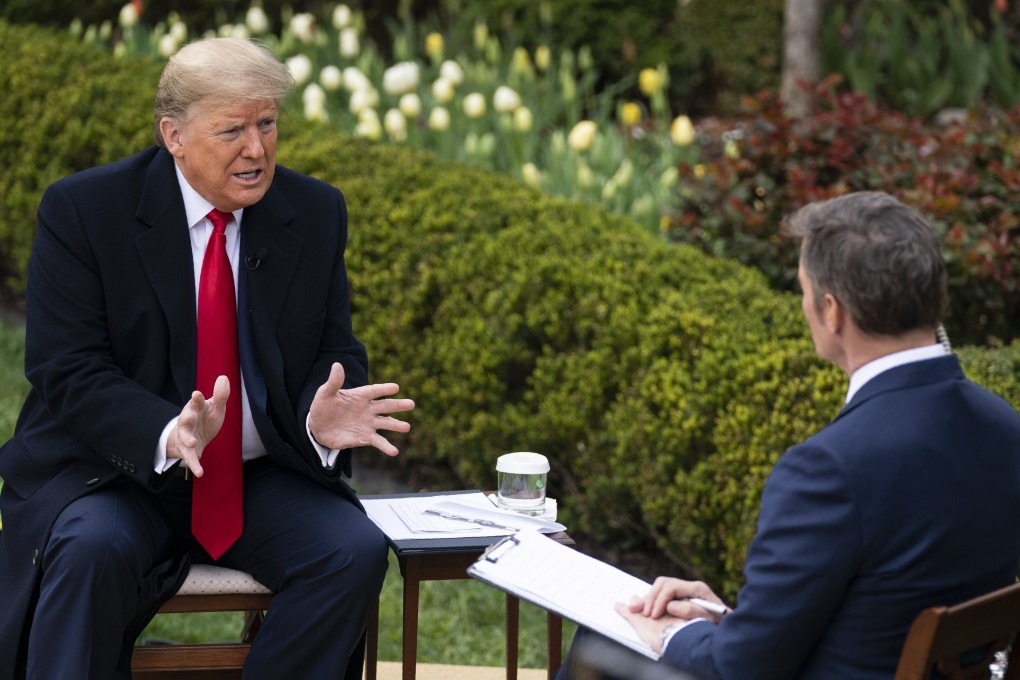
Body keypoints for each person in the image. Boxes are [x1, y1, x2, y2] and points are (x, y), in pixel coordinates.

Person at [0, 37, 415, 679]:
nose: (256, 149)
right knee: (89, 550)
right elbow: (67, 370)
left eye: (267, 124)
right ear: (174, 135)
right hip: (119, 474)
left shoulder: (314, 211)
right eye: (232, 131)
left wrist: (316, 419)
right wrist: (167, 431)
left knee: (350, 549)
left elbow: (333, 353)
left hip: (256, 475)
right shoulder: (85, 211)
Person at [555, 191, 1020, 679]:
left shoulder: (829, 469)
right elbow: (883, 610)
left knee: (607, 634)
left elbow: (737, 671)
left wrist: (670, 634)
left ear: (833, 311)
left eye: (802, 290)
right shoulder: (1003, 425)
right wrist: (727, 620)